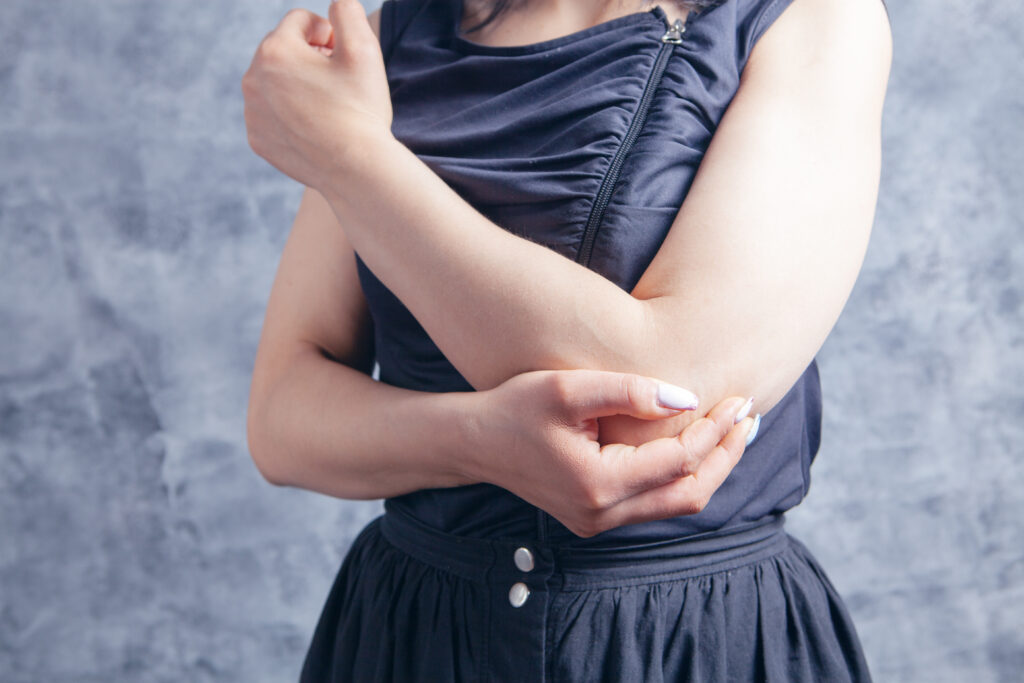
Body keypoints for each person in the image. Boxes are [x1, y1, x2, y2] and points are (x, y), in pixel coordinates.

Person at [241, 0, 892, 679]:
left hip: (687, 644)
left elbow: (654, 414)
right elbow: (281, 415)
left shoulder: (816, 20)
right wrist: (475, 438)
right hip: (409, 635)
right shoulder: (383, 41)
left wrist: (350, 158)